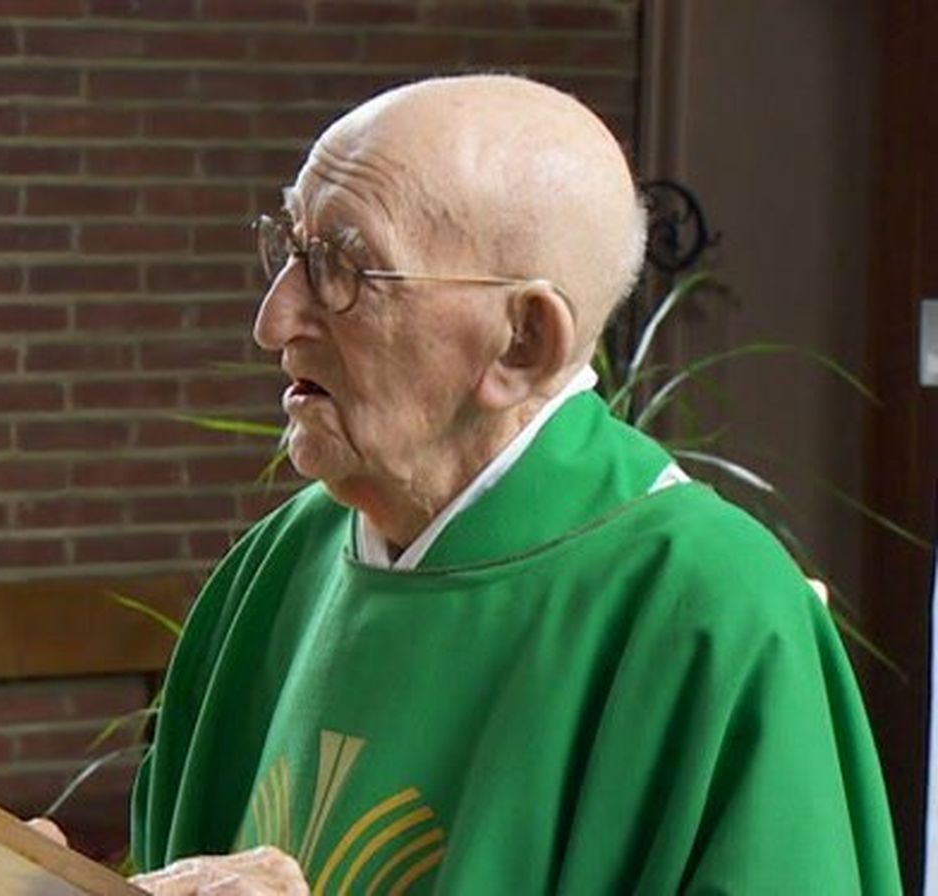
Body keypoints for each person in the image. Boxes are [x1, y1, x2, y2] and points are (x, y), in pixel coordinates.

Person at [121, 74, 900, 893]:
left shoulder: (712, 616)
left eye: (344, 270)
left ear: (522, 342)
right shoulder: (275, 569)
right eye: (290, 251)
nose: (273, 320)